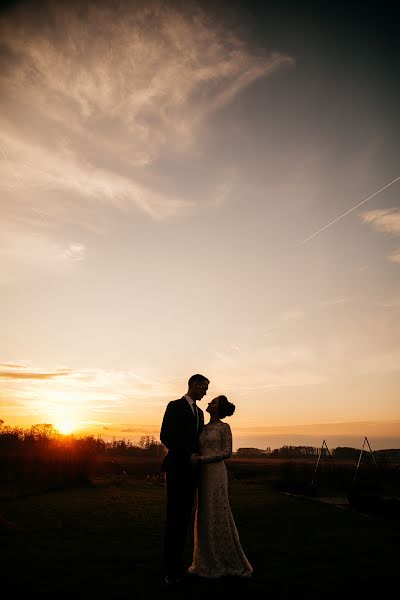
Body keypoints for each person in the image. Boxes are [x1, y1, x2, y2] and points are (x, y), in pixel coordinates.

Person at [188, 395, 253, 579]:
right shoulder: (202, 427)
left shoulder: (224, 427)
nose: (209, 402)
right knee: (204, 513)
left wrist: (203, 459)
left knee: (218, 511)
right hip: (202, 474)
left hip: (216, 473)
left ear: (219, 409)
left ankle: (226, 558)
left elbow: (227, 452)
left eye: (213, 402)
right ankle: (204, 559)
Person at [160, 373, 209, 585]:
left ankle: (180, 564)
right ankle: (171, 570)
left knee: (185, 519)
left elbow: (198, 441)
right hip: (177, 468)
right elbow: (166, 436)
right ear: (194, 384)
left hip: (192, 472)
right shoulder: (174, 406)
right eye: (204, 387)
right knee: (174, 518)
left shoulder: (200, 413)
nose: (206, 392)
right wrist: (186, 454)